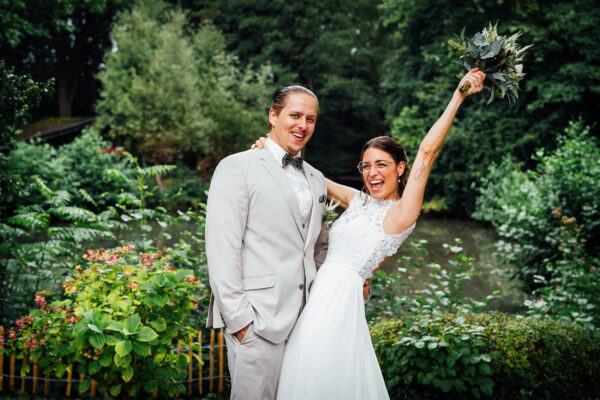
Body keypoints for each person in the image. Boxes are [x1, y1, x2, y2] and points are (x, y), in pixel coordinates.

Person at [254, 68, 486, 399]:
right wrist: (270, 148)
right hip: (315, 297)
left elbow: (426, 153)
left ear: (400, 168)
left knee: (321, 380)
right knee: (301, 377)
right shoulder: (359, 201)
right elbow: (309, 175)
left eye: (381, 165)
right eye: (365, 166)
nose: (371, 173)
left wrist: (458, 96)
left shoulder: (401, 214)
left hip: (338, 305)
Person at [205, 85, 332, 400]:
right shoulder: (237, 167)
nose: (303, 125)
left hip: (307, 322)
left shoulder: (316, 178)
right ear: (273, 116)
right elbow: (222, 248)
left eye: (311, 119)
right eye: (295, 115)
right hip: (258, 322)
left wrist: (352, 281)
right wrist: (240, 321)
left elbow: (319, 249)